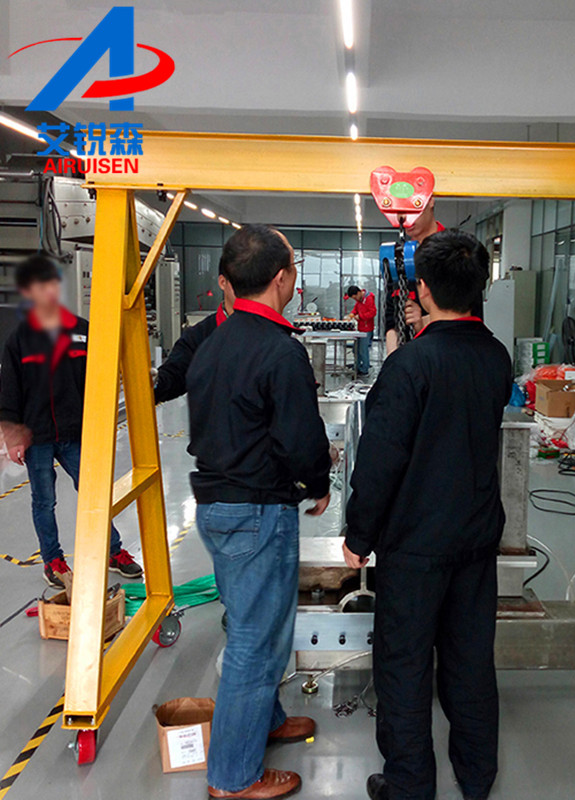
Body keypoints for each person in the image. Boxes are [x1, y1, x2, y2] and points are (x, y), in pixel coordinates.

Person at [344, 230, 512, 800]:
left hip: (415, 547)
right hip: (475, 541)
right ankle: (477, 775)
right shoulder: (496, 357)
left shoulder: (410, 366)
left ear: (422, 290)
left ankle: (409, 784)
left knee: (405, 665)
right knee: (470, 662)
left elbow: (380, 460)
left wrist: (359, 534)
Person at [186, 225, 332, 800]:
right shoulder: (279, 350)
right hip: (256, 511)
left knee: (257, 626)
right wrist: (318, 482)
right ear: (281, 278)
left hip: (218, 507)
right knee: (255, 640)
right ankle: (232, 777)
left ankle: (265, 721)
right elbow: (300, 436)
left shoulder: (212, 343)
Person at [0, 255, 143, 588]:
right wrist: (12, 435)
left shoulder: (82, 331)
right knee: (44, 501)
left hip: (76, 432)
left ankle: (113, 551)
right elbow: (9, 389)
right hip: (36, 436)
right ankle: (53, 560)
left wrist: (101, 424)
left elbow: (99, 381)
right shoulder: (19, 340)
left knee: (95, 495)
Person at [153, 258, 236, 403]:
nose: (249, 290)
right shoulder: (199, 337)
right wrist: (153, 382)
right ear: (223, 282)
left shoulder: (271, 335)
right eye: (240, 282)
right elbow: (174, 376)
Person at [383, 196, 445, 354]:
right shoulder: (399, 258)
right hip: (410, 359)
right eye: (398, 211)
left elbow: (467, 316)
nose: (403, 217)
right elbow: (391, 321)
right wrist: (393, 360)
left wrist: (424, 322)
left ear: (430, 201)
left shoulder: (457, 252)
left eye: (410, 208)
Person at [345, 284, 377, 376]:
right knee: (356, 349)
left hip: (366, 329)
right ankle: (357, 366)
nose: (355, 299)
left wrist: (361, 316)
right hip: (360, 328)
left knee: (363, 350)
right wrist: (352, 314)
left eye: (355, 297)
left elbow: (373, 312)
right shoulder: (359, 300)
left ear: (359, 292)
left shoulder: (369, 299)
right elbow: (356, 308)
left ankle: (364, 369)